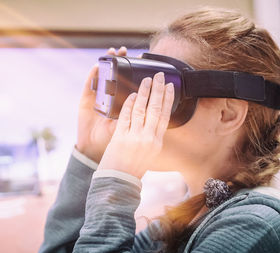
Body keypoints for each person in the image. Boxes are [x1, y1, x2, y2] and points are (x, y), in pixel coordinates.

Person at [39, 8, 280, 253]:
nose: (144, 106)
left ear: (227, 115)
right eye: (145, 85)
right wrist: (90, 154)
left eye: (165, 90)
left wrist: (117, 181)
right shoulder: (184, 220)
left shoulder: (255, 224)